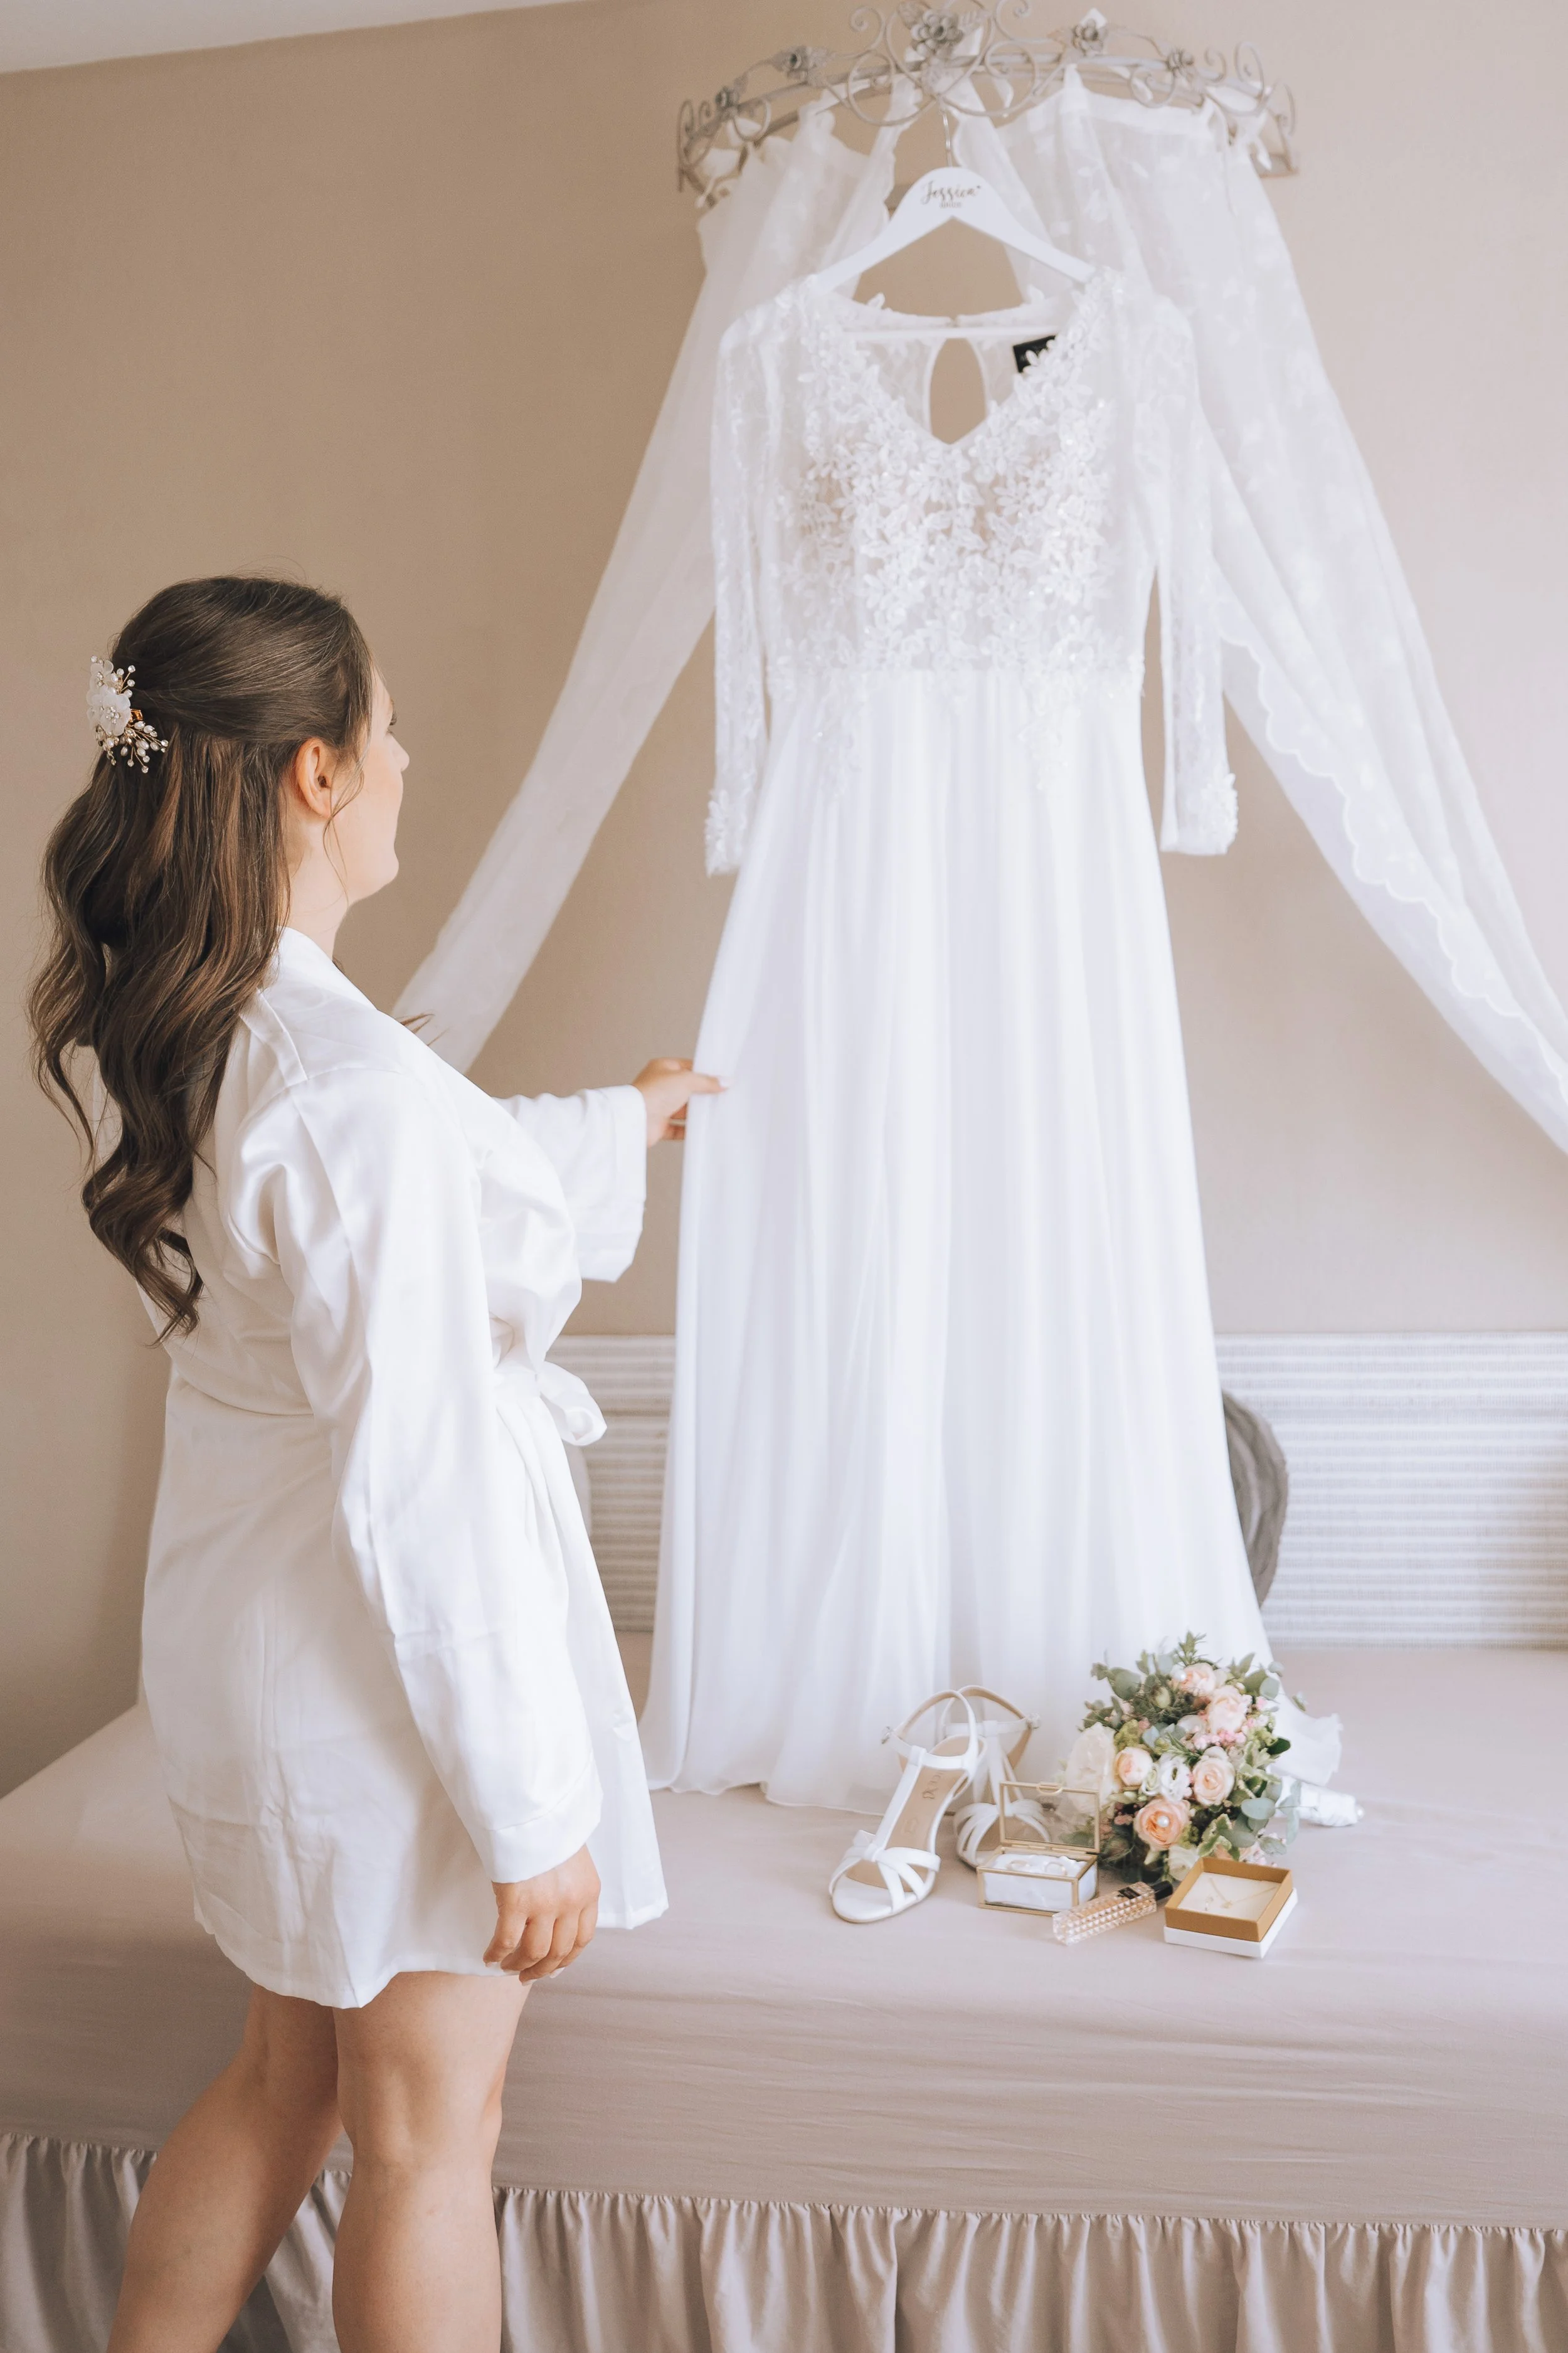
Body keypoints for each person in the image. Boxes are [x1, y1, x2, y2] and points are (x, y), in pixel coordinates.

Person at [28, 576, 719, 2353]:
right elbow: (423, 1475)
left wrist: (619, 1118)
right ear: (317, 776)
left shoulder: (196, 1032)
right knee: (430, 2137)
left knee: (288, 2078)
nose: (411, 759)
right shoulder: (350, 1091)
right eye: (389, 730)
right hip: (373, 1684)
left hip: (262, 1642)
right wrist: (525, 1807)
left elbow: (431, 1198)